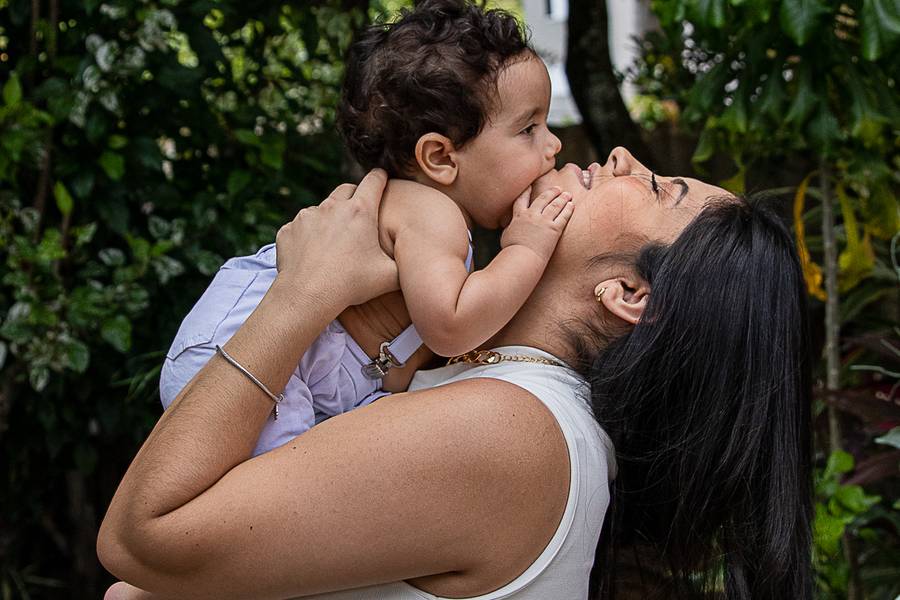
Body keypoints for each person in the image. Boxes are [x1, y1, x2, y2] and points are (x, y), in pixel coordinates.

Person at [99, 148, 813, 599]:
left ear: (630, 294)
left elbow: (143, 540)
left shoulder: (507, 431)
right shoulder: (501, 400)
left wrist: (303, 291)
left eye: (656, 187)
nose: (623, 157)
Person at [159, 0, 571, 457]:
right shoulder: (432, 214)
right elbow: (451, 326)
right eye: (528, 128)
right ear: (440, 157)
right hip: (243, 346)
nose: (553, 144)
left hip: (288, 368)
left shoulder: (434, 223)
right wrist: (528, 248)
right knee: (292, 484)